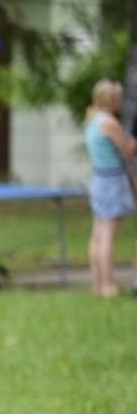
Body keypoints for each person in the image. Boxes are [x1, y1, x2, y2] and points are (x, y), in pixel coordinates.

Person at [84, 79, 137, 298]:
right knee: (107, 235)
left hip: (98, 178)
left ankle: (98, 283)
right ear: (111, 99)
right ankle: (108, 285)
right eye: (118, 98)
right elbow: (127, 150)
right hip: (111, 182)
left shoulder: (92, 120)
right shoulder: (109, 123)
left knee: (97, 234)